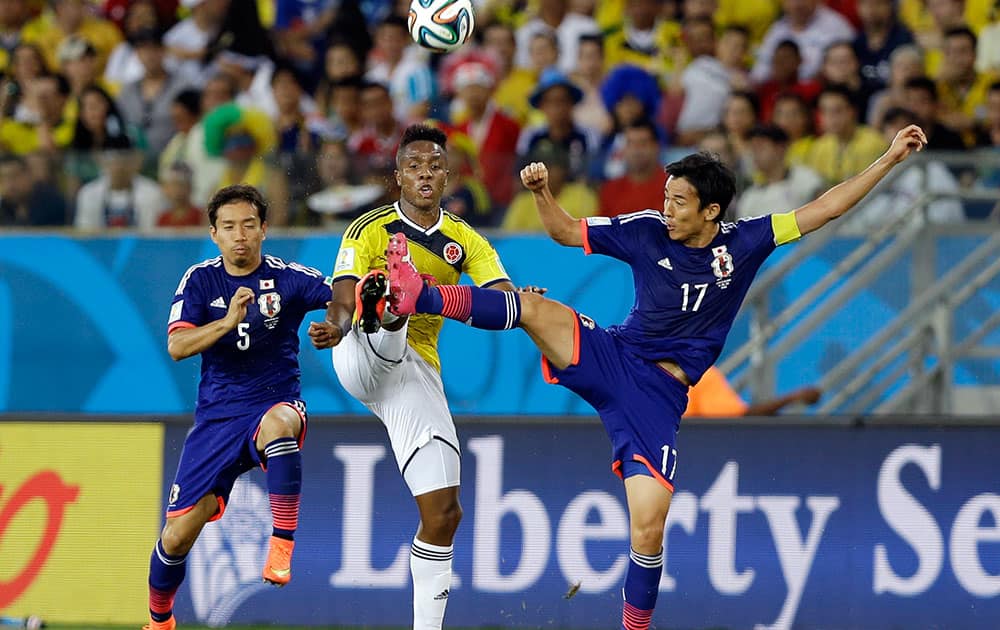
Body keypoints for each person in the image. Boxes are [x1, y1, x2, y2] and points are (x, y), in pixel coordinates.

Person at [385, 123, 928, 630]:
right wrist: (541, 193)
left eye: (678, 201)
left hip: (659, 397)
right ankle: (420, 295)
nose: (664, 208)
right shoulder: (646, 230)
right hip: (614, 354)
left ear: (712, 210)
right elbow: (566, 233)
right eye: (665, 196)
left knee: (648, 528)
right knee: (533, 308)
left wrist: (888, 158)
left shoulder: (747, 242)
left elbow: (826, 208)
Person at [306, 124, 519, 630]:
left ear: (448, 175)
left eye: (435, 166)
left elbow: (502, 296)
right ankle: (392, 301)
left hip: (414, 375)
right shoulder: (368, 229)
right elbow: (340, 293)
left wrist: (518, 296)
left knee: (445, 514)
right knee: (378, 299)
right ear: (398, 176)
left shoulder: (464, 239)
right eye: (415, 167)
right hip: (359, 349)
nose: (425, 174)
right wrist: (336, 329)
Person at [144, 184, 335, 630]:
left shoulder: (288, 277)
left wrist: (342, 323)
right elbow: (176, 346)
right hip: (216, 420)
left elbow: (344, 295)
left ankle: (282, 545)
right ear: (214, 234)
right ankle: (159, 622)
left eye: (249, 225)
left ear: (264, 229)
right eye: (229, 227)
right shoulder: (200, 280)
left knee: (278, 424)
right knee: (175, 537)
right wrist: (227, 321)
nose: (240, 235)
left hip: (274, 401)